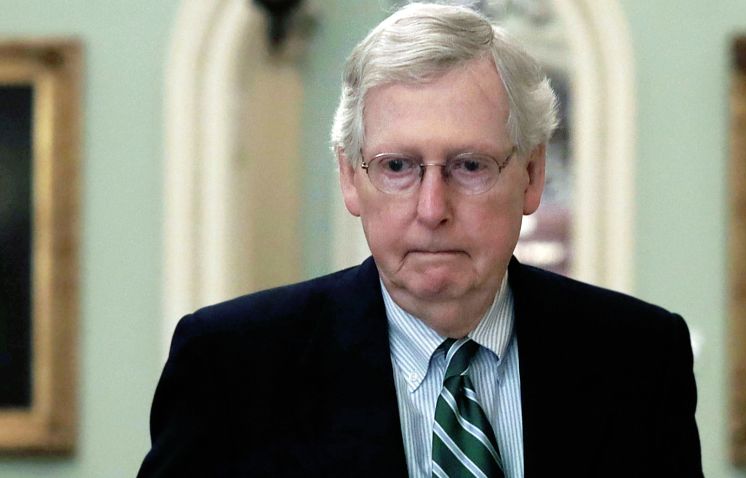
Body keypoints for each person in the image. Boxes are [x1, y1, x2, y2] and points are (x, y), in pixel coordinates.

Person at [138, 3, 702, 477]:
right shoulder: (233, 364)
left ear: (531, 176)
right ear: (349, 178)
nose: (432, 210)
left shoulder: (639, 357)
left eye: (471, 166)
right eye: (399, 166)